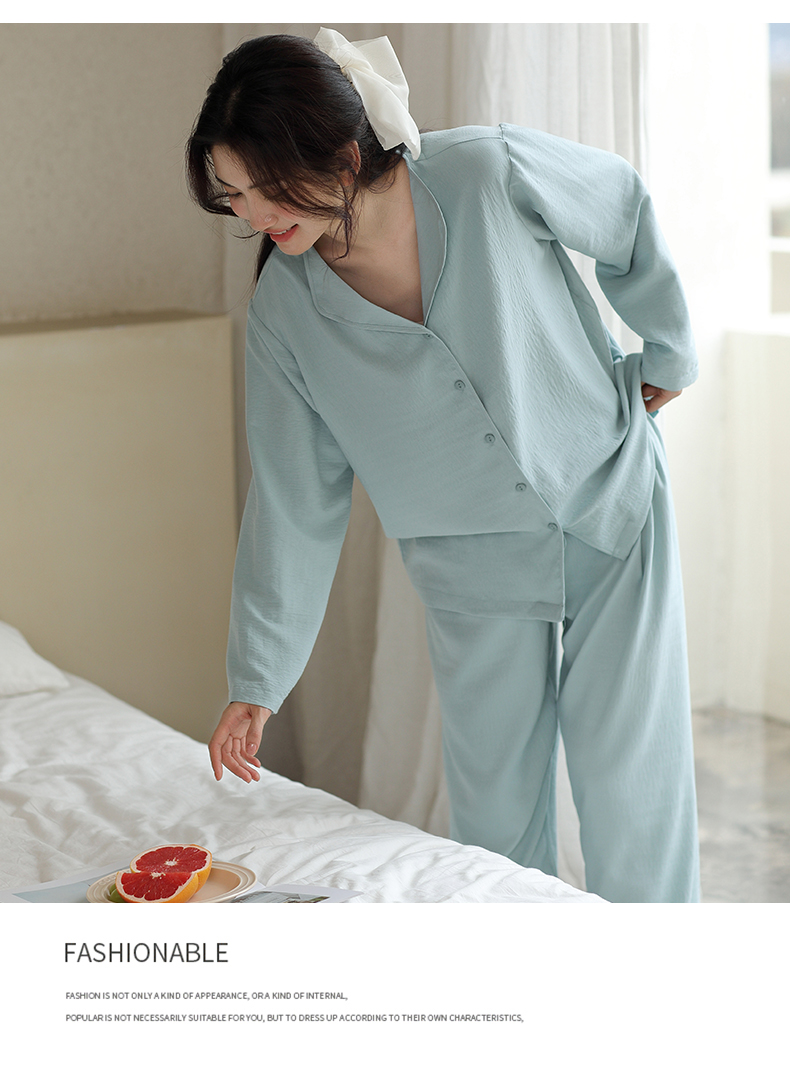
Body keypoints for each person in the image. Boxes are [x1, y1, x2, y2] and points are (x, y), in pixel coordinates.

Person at [186, 28, 701, 903]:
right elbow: (293, 501)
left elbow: (620, 207)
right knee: (495, 820)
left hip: (609, 499)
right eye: (233, 195)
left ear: (344, 156)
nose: (256, 216)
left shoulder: (487, 171)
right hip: (470, 566)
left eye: (271, 188)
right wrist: (257, 680)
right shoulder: (283, 316)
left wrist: (669, 351)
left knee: (634, 789)